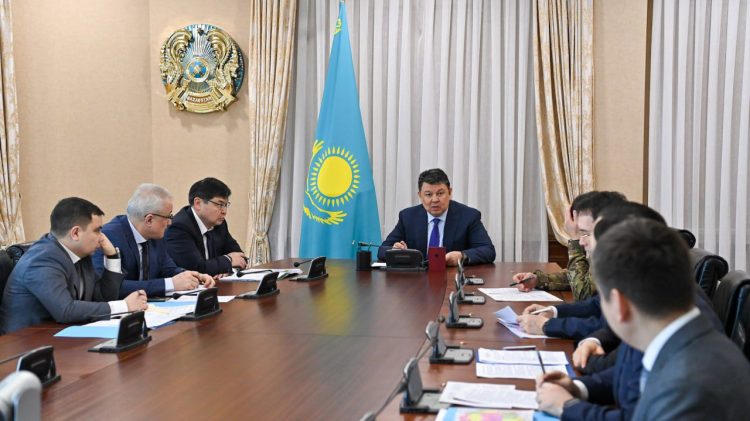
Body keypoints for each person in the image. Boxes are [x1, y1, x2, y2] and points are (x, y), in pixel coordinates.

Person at [535, 218, 749, 419]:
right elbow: (634, 376)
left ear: (619, 304)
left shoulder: (687, 382)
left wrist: (568, 406)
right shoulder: (677, 332)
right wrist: (578, 388)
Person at [0, 198, 148, 334]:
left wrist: (112, 257)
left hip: (62, 334)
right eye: (97, 230)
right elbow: (65, 310)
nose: (102, 237)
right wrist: (124, 306)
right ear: (76, 233)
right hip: (26, 342)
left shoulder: (81, 254)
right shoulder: (42, 259)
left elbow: (103, 298)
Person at [93, 184, 215, 298]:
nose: (170, 222)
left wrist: (192, 276)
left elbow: (167, 269)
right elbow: (111, 287)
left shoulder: (155, 235)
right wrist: (170, 284)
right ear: (149, 220)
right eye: (168, 216)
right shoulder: (109, 237)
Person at [511, 191, 626, 302]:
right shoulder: (605, 246)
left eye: (586, 233)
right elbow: (584, 278)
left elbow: (583, 295)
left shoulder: (619, 253)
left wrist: (575, 238)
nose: (581, 242)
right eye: (581, 233)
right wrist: (538, 280)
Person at [377, 168, 495, 266]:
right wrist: (395, 251)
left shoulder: (469, 216)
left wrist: (462, 256)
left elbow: (488, 250)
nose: (435, 200)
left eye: (440, 193)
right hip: (417, 280)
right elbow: (382, 249)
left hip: (451, 278)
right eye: (428, 194)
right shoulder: (408, 217)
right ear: (420, 195)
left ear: (450, 192)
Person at [165, 177, 246, 276]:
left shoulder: (219, 224)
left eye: (226, 205)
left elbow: (240, 257)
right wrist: (228, 260)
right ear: (198, 203)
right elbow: (195, 269)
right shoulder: (178, 227)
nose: (224, 211)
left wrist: (228, 270)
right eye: (220, 204)